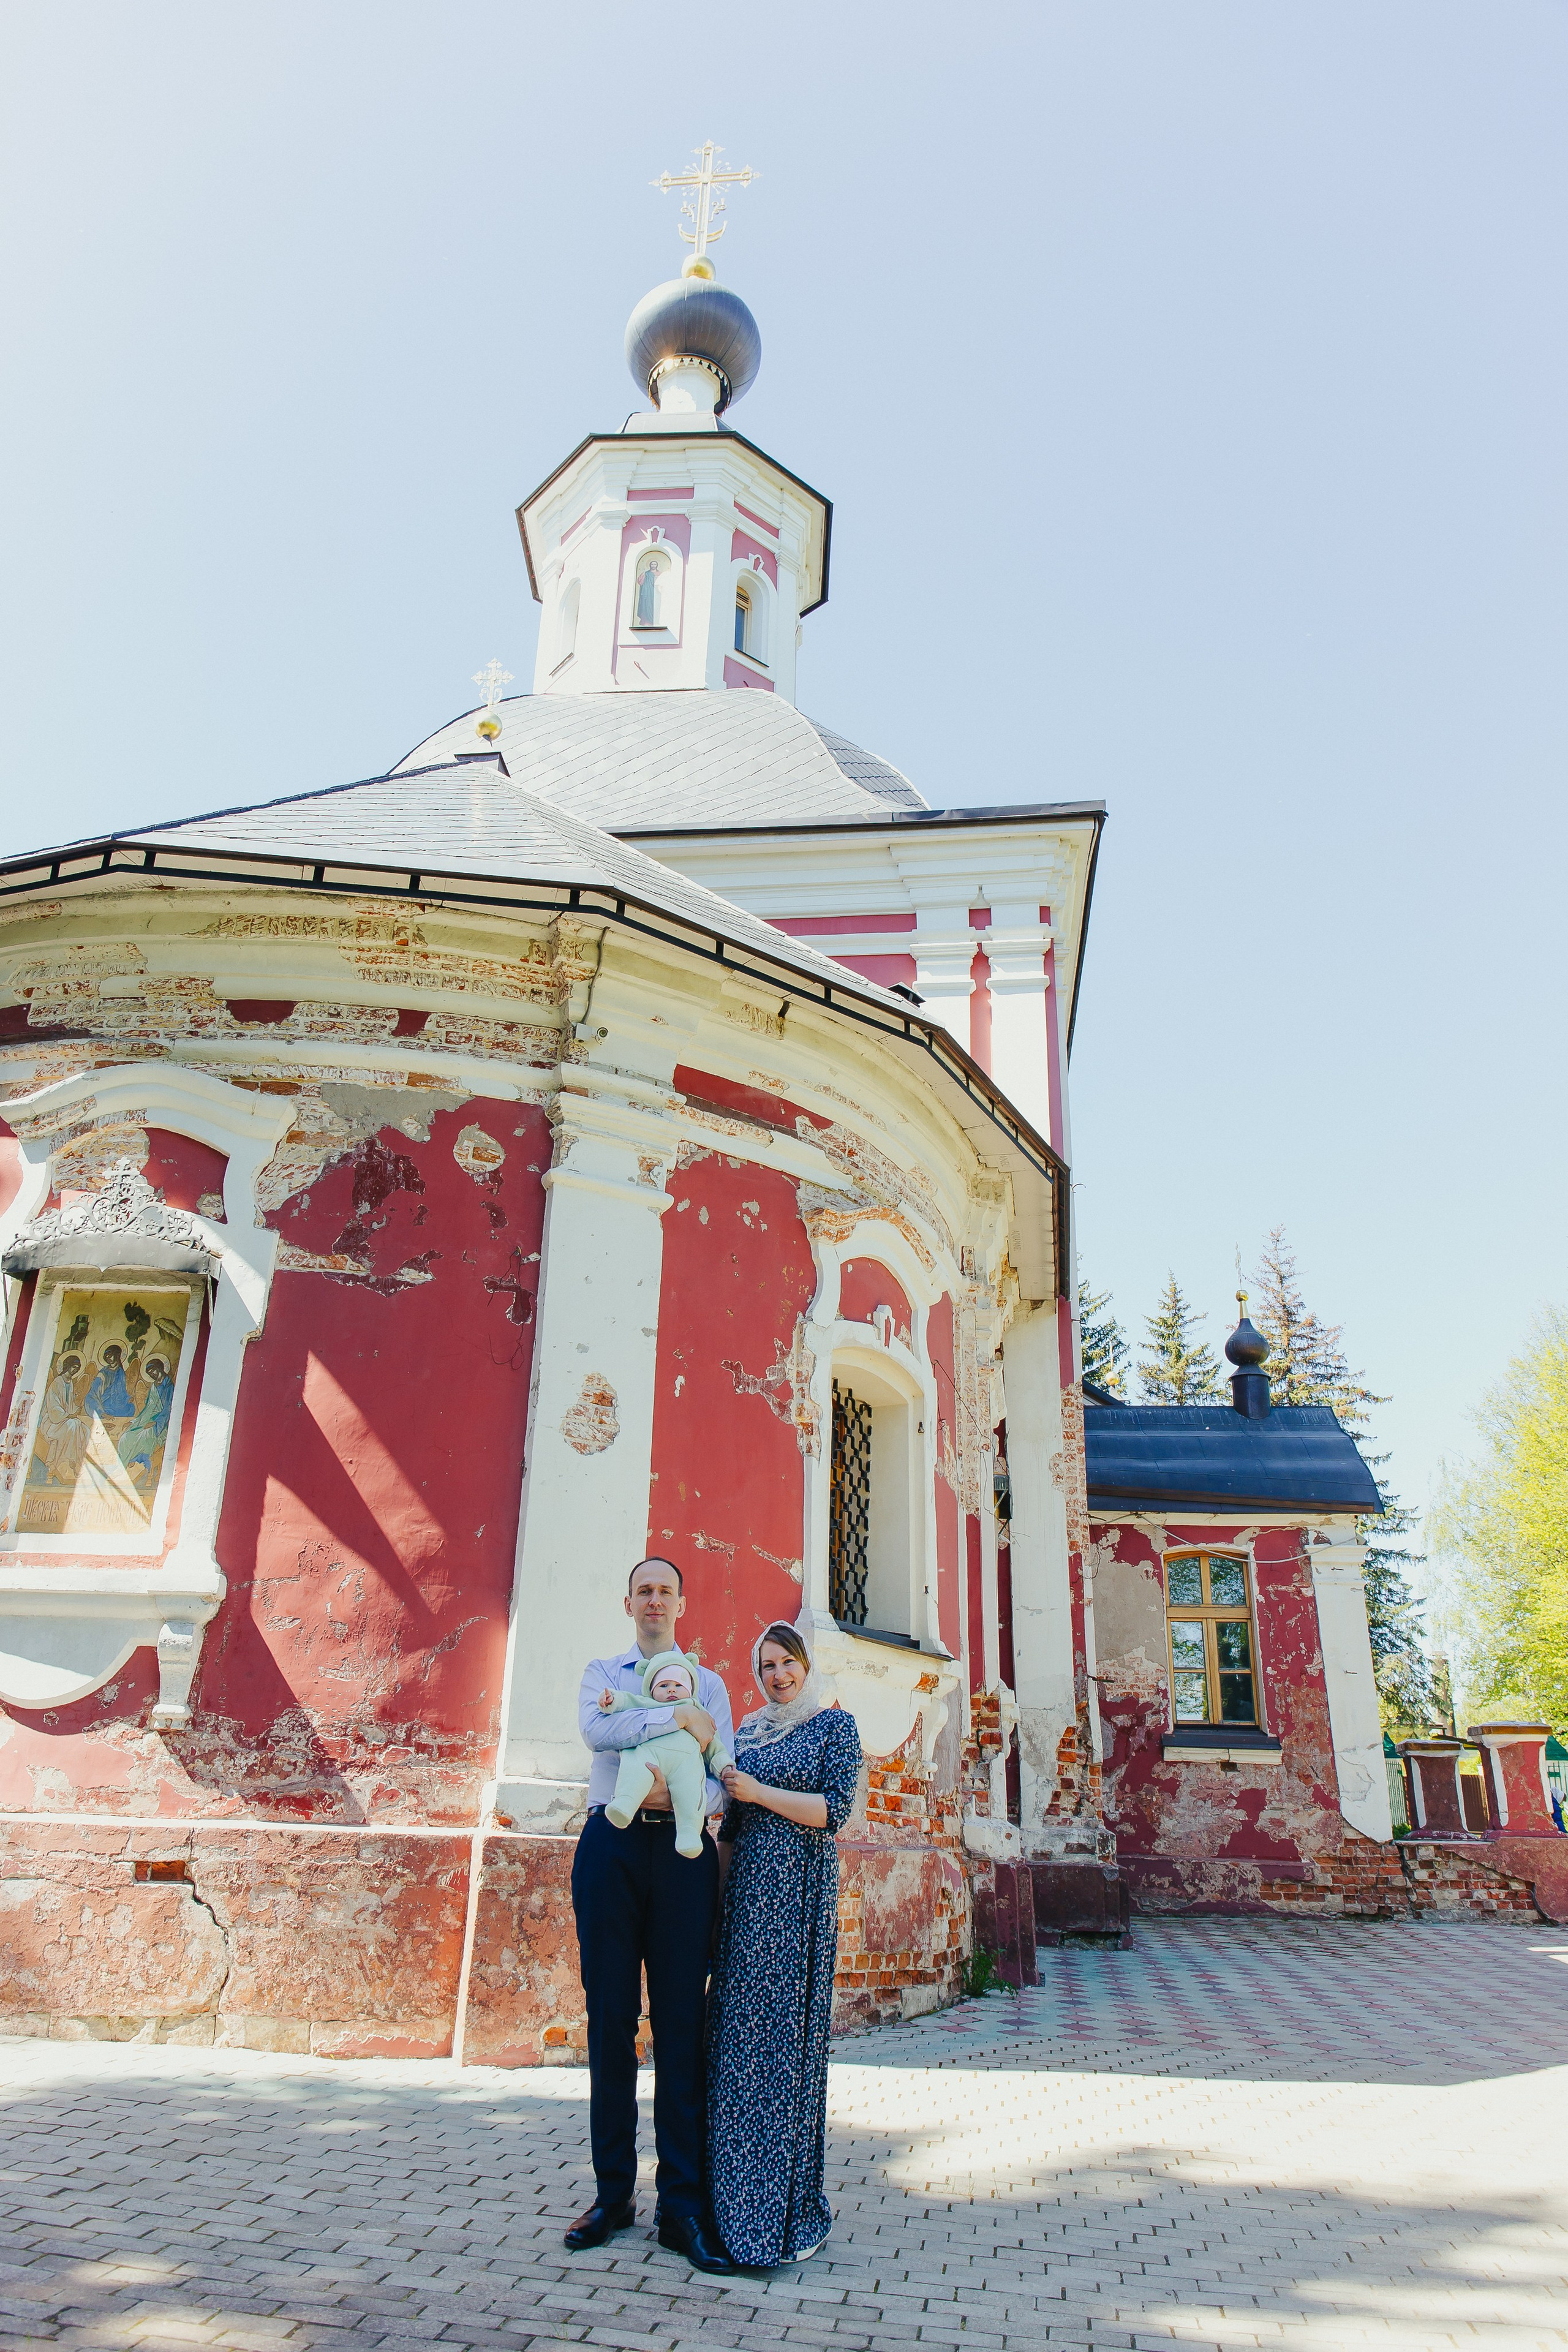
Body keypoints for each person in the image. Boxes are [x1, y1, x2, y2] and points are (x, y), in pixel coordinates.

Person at [568, 1556, 737, 2274]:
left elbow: (723, 1773)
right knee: (609, 2021)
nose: (655, 1601)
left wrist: (694, 1790)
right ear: (628, 1601)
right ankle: (612, 2198)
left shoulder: (714, 1685)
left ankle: (681, 2207)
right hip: (610, 1850)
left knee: (678, 2024)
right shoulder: (601, 1674)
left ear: (682, 1603)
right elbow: (598, 1736)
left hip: (683, 1855)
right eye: (644, 1590)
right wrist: (676, 1719)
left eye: (666, 1591)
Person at [706, 1620, 862, 2266]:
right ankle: (727, 2204)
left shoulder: (835, 1727)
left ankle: (786, 2208)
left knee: (787, 2050)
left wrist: (758, 1790)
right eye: (766, 1666)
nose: (777, 1675)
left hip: (798, 1904)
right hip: (746, 1907)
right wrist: (708, 1918)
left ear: (805, 1664)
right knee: (736, 2048)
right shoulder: (746, 1731)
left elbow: (833, 1812)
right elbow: (729, 1834)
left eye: (786, 1663)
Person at [598, 1650, 731, 1856]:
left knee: (690, 1791)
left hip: (685, 1766)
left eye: (679, 1685)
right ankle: (624, 1804)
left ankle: (689, 1834)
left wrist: (724, 1765)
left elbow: (715, 1745)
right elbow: (629, 1701)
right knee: (635, 1767)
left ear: (690, 1689)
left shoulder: (700, 1713)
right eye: (664, 1685)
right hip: (650, 1758)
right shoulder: (649, 1705)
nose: (672, 1690)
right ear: (652, 1690)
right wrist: (612, 1700)